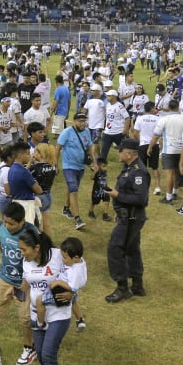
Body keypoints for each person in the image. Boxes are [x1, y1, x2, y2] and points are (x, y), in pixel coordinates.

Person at [18, 232, 86, 365]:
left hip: (58, 315)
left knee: (48, 354)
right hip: (36, 314)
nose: (21, 253)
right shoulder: (26, 261)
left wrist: (74, 292)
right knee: (40, 354)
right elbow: (28, 281)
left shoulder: (58, 255)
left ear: (37, 248)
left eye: (24, 249)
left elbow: (78, 265)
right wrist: (19, 290)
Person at [104, 138, 151, 302]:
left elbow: (140, 199)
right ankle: (137, 285)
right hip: (128, 215)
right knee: (132, 249)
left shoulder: (138, 172)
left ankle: (122, 288)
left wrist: (117, 196)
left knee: (115, 248)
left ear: (129, 154)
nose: (119, 152)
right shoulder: (130, 168)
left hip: (132, 217)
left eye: (121, 150)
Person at [56, 111, 93, 231]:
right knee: (74, 189)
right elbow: (58, 148)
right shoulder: (67, 132)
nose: (82, 123)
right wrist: (55, 164)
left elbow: (90, 147)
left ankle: (66, 208)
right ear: (74, 121)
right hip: (68, 166)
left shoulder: (87, 131)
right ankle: (77, 219)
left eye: (84, 121)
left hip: (80, 167)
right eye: (80, 121)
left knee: (72, 187)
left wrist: (94, 162)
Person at [88, 156, 111, 221]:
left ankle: (105, 214)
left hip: (104, 190)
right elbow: (91, 178)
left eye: (106, 166)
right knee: (94, 202)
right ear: (99, 166)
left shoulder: (105, 172)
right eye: (104, 166)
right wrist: (95, 172)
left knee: (107, 201)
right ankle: (91, 211)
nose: (105, 168)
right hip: (97, 191)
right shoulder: (97, 172)